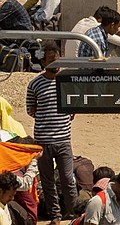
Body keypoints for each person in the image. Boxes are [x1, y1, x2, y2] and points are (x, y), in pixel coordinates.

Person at [25, 41, 76, 222]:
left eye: (57, 60)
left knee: (68, 180)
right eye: (50, 61)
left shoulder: (67, 81)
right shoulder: (35, 84)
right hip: (43, 142)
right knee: (48, 182)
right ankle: (55, 215)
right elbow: (30, 109)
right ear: (44, 62)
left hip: (63, 141)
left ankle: (72, 214)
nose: (55, 64)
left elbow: (73, 107)